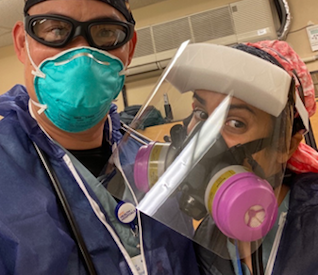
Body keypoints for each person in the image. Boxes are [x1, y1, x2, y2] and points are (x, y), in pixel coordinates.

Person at [0, 0, 200, 275]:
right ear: (23, 43)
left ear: (129, 49)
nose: (82, 53)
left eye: (105, 33)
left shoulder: (155, 161)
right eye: (56, 30)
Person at [116, 40, 318, 275]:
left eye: (236, 123)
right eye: (201, 114)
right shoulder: (208, 234)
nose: (204, 140)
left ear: (286, 145)